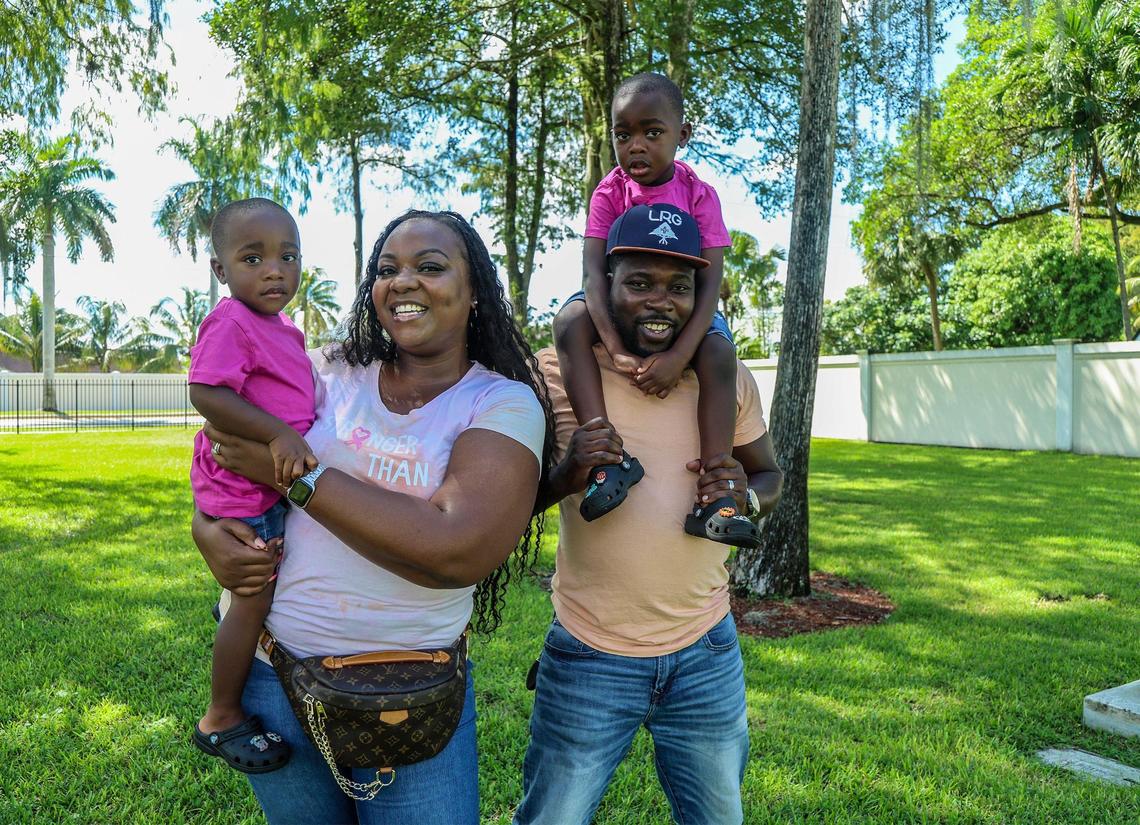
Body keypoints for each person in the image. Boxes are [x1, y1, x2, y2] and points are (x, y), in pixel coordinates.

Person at [191, 210, 554, 825]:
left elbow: (456, 548)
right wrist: (203, 528)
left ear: (474, 293)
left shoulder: (500, 401)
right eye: (388, 270)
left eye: (431, 268)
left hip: (410, 695)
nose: (404, 281)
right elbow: (228, 441)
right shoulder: (329, 369)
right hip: (272, 675)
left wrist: (301, 480)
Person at [515, 205, 783, 825]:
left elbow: (770, 476)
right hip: (588, 655)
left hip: (707, 654)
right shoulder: (551, 373)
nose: (659, 302)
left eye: (679, 287)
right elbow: (509, 506)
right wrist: (567, 474)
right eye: (639, 283)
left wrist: (745, 492)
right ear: (603, 286)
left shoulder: (725, 378)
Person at [552, 72, 749, 548]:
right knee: (569, 321)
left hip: (689, 307)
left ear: (682, 135)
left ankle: (715, 494)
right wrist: (617, 350)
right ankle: (607, 459)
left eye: (652, 133)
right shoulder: (609, 193)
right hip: (618, 307)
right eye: (624, 134)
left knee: (720, 355)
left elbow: (709, 285)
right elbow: (594, 277)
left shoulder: (699, 195)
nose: (635, 146)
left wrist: (680, 357)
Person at [189, 197, 316, 773]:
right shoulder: (230, 321)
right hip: (244, 490)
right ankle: (221, 716)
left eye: (288, 256)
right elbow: (207, 393)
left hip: (264, 485)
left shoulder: (282, 326)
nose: (275, 270)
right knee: (251, 598)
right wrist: (279, 437)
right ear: (221, 271)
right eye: (253, 257)